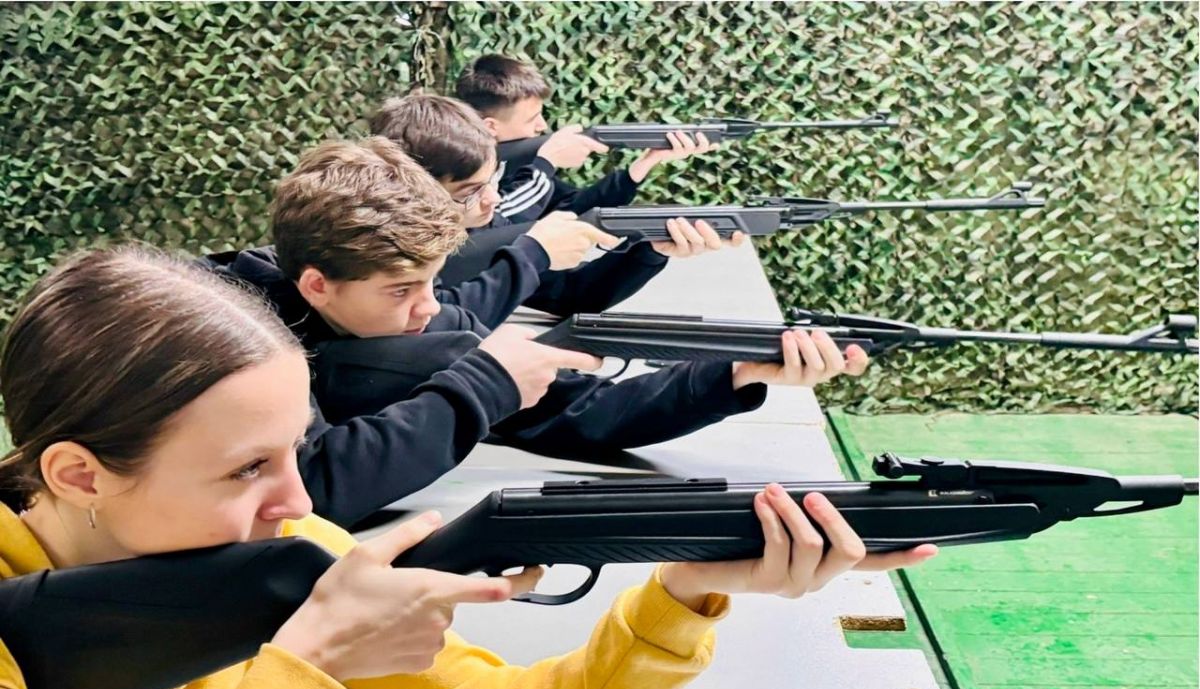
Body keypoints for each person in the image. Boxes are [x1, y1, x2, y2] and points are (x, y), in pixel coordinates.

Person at [0, 244, 938, 689]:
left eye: (298, 448)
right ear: (79, 474)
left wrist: (684, 594)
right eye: (248, 467)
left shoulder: (287, 556)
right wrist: (308, 663)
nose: (301, 502)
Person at [218, 137, 870, 529]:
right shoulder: (225, 335)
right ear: (316, 285)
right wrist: (479, 389)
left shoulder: (412, 316)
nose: (428, 309)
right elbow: (306, 491)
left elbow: (582, 413)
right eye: (401, 291)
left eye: (433, 281)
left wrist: (736, 372)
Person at [368, 92, 732, 313]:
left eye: (491, 182)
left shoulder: (479, 222)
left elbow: (566, 293)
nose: (494, 198)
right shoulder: (382, 268)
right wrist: (545, 164)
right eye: (469, 191)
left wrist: (650, 249)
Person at [455, 53, 715, 222]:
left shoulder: (516, 163)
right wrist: (545, 163)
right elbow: (496, 222)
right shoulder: (453, 167)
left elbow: (572, 208)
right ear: (491, 127)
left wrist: (644, 165)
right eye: (531, 119)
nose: (542, 126)